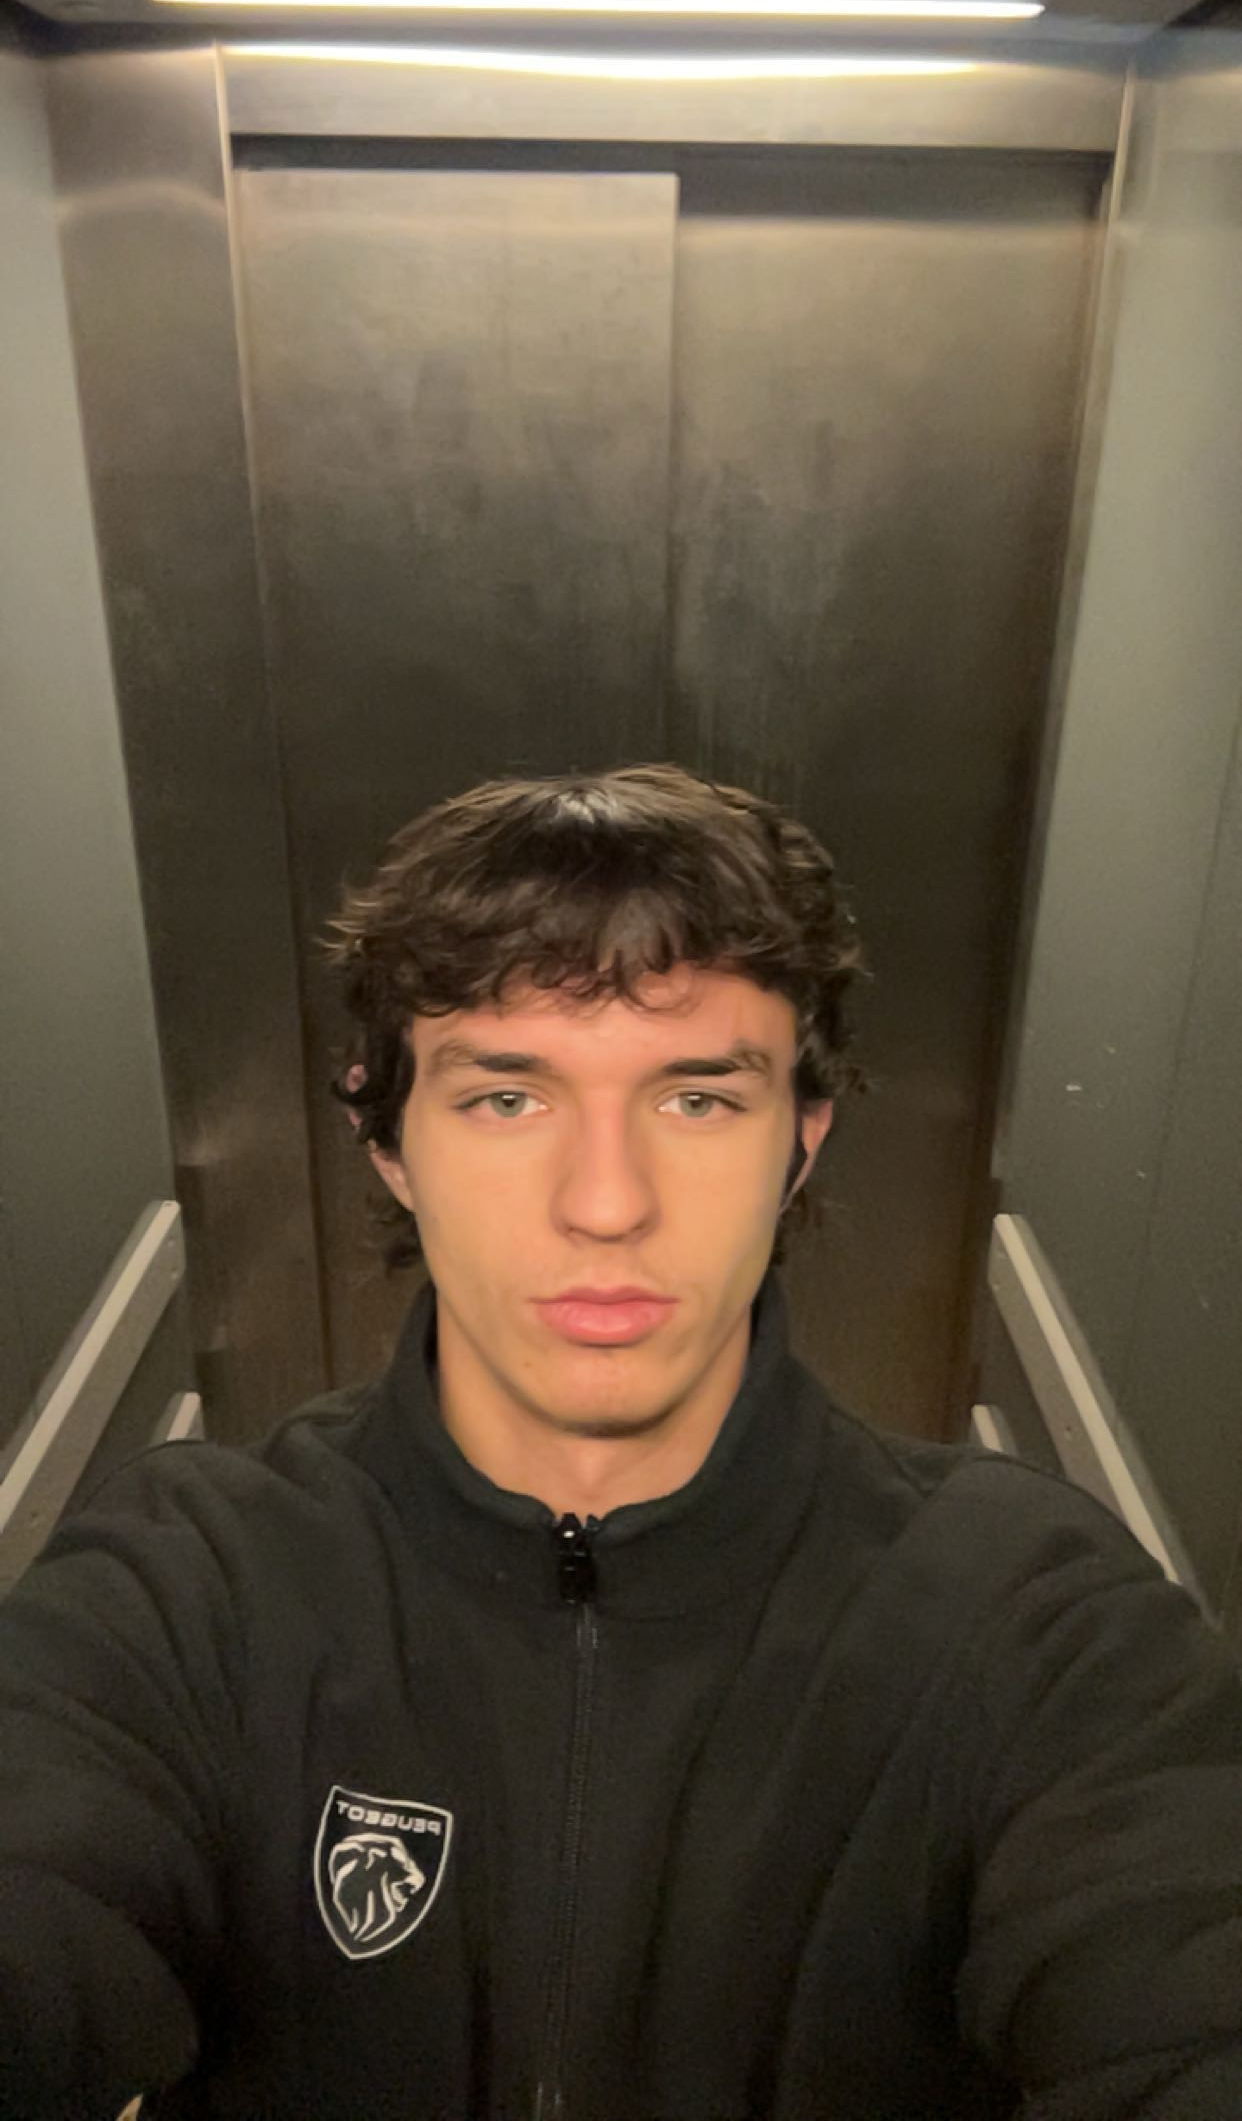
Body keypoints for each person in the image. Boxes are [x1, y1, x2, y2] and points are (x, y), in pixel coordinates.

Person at [1, 762, 1240, 2121]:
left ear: (801, 1140)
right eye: (507, 1098)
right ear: (388, 1140)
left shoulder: (1036, 1621)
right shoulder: (188, 1587)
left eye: (697, 1099)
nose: (606, 1203)